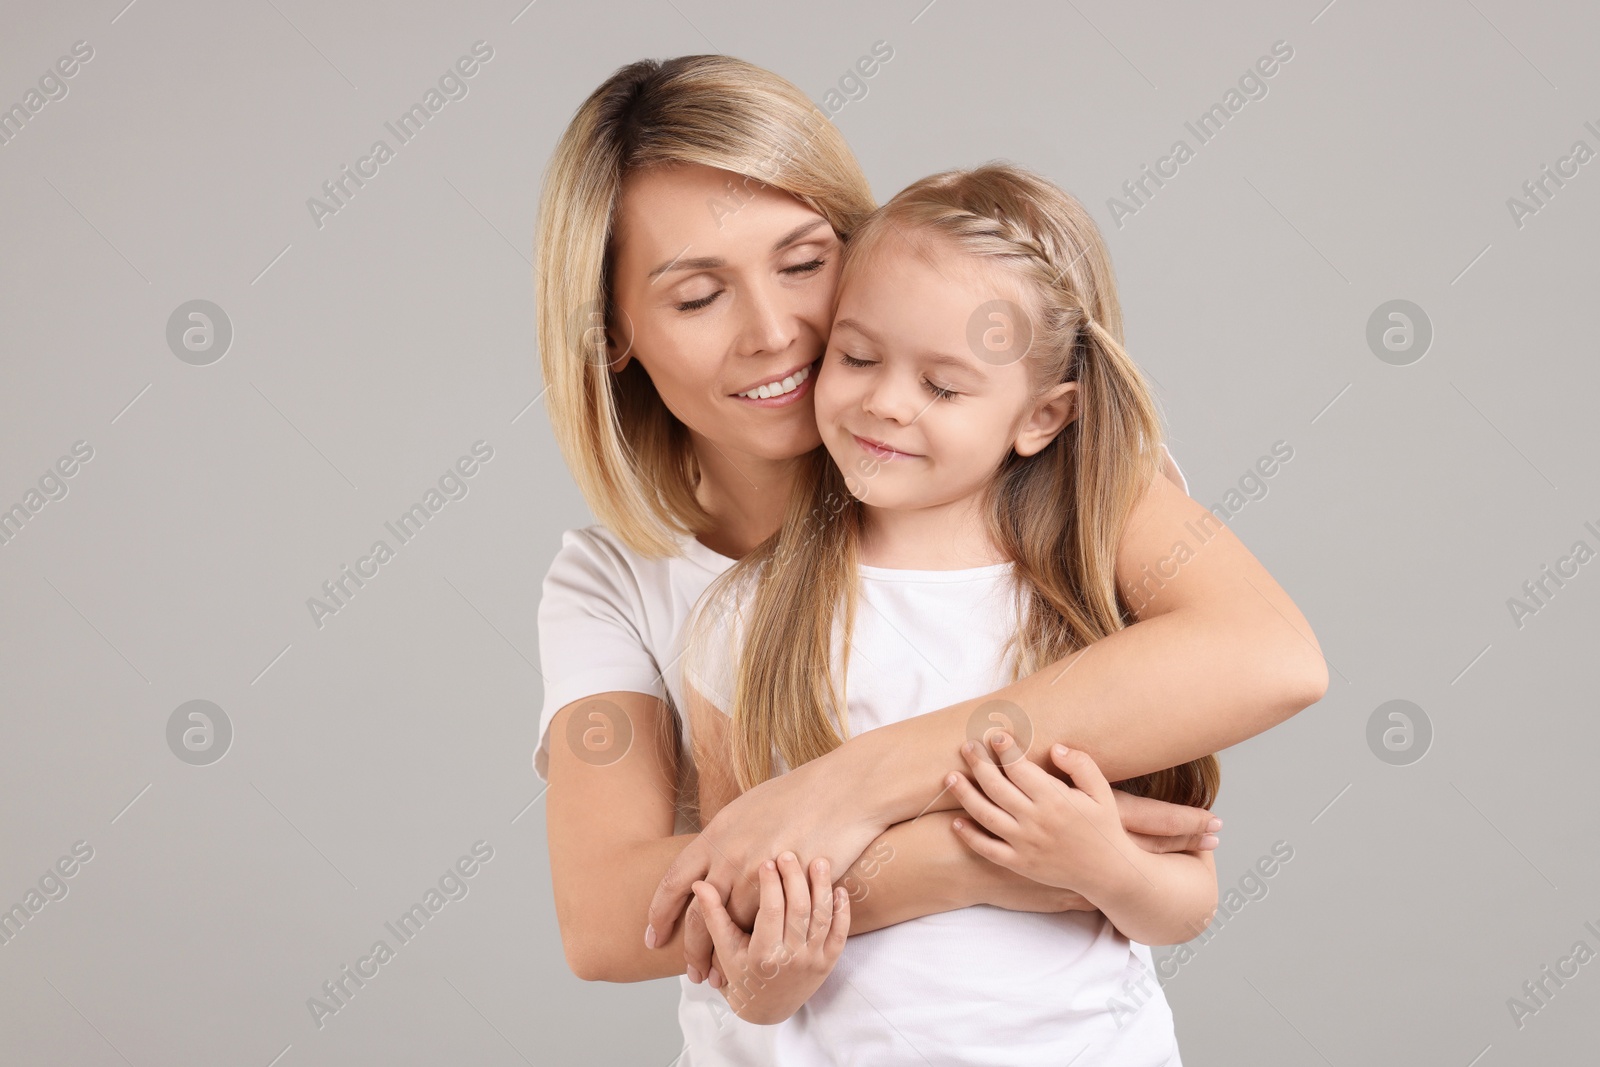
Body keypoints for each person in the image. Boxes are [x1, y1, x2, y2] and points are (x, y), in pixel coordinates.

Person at [532, 54, 1326, 1060]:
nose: (774, 331)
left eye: (804, 261)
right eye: (697, 295)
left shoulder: (1049, 479)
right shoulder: (633, 585)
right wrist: (964, 856)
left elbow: (1267, 655)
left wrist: (848, 787)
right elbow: (608, 917)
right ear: (612, 334)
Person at [678, 162, 1221, 1064]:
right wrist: (771, 979)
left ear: (1043, 416)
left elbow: (1185, 897)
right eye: (856, 358)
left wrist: (1103, 864)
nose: (885, 401)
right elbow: (734, 904)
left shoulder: (1084, 606)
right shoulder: (744, 619)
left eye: (943, 385)